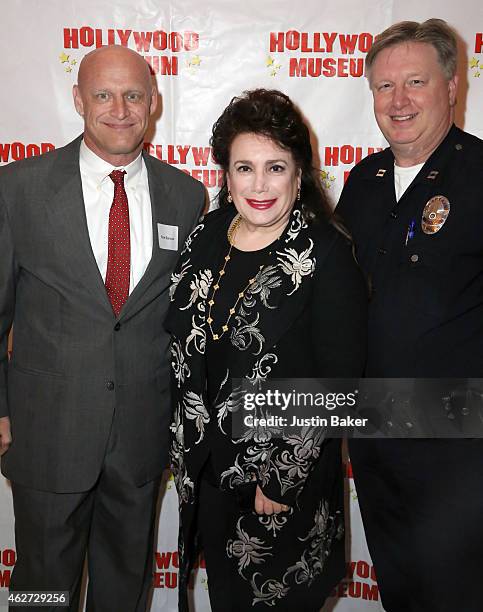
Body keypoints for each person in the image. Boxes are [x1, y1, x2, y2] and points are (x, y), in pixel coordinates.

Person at [0, 45, 205, 611]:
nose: (120, 109)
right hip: (46, 433)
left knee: (125, 587)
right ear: (78, 100)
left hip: (141, 434)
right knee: (42, 587)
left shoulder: (187, 196)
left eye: (133, 94)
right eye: (104, 95)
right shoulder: (18, 189)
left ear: (154, 103)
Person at [166, 89, 367, 611]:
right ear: (225, 175)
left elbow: (338, 384)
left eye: (275, 167)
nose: (259, 185)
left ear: (299, 174)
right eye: (244, 168)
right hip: (207, 472)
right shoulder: (207, 234)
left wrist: (280, 479)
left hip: (279, 486)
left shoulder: (326, 253)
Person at [336, 19, 483, 612]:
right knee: (400, 586)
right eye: (383, 87)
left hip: (457, 444)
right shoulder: (362, 180)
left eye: (415, 82)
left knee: (457, 593)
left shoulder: (479, 174)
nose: (398, 101)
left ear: (451, 86)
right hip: (373, 432)